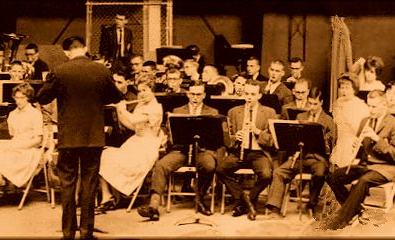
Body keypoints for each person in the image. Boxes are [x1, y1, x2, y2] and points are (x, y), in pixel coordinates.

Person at [36, 36, 123, 239]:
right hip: (93, 138)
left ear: (67, 52)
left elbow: (42, 97)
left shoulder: (59, 71)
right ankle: (86, 233)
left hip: (69, 138)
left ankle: (68, 233)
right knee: (89, 184)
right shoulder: (101, 70)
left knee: (68, 185)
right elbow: (115, 97)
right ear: (84, 48)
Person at [324, 90, 395, 230]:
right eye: (369, 106)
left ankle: (341, 219)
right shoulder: (365, 121)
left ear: (384, 105)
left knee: (363, 181)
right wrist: (358, 146)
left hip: (385, 167)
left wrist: (376, 139)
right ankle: (357, 210)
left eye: (374, 107)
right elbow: (362, 150)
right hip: (366, 165)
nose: (370, 110)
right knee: (332, 176)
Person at [136, 85, 220, 221]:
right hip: (182, 150)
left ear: (204, 95)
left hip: (202, 151)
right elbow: (172, 135)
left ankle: (200, 199)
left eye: (198, 94)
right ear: (187, 94)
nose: (195, 97)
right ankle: (153, 206)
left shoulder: (212, 112)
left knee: (209, 166)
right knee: (161, 165)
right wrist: (166, 137)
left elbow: (216, 139)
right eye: (192, 94)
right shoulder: (178, 111)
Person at [265, 87, 337, 216]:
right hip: (300, 157)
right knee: (279, 172)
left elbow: (332, 146)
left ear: (321, 102)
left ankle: (312, 203)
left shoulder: (328, 121)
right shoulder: (300, 116)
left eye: (315, 104)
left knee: (320, 173)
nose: (312, 107)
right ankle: (274, 208)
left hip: (317, 159)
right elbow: (292, 139)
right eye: (310, 103)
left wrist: (322, 142)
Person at [97, 79, 163, 215]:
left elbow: (134, 120)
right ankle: (107, 196)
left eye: (145, 90)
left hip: (147, 145)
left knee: (115, 159)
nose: (141, 94)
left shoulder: (155, 108)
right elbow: (133, 126)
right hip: (135, 141)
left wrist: (122, 109)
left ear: (153, 91)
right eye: (139, 91)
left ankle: (115, 196)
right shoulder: (141, 106)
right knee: (103, 154)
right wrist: (119, 112)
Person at [0, 83, 44, 215]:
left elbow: (38, 140)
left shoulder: (35, 114)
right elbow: (12, 136)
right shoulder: (13, 114)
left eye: (22, 98)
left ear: (28, 98)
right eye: (16, 98)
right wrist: (3, 144)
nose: (18, 101)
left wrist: (18, 146)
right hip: (14, 146)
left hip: (29, 150)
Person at [216, 80, 277, 220]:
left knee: (267, 175)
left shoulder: (269, 112)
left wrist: (257, 131)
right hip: (239, 151)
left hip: (259, 153)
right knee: (220, 169)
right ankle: (244, 200)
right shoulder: (233, 112)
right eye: (247, 93)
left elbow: (272, 141)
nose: (249, 97)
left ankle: (248, 199)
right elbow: (227, 139)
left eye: (253, 94)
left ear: (259, 95)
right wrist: (235, 137)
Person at [330, 73, 370, 168]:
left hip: (354, 143)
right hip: (340, 141)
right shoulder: (338, 102)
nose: (344, 91)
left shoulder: (361, 106)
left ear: (354, 89)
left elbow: (360, 130)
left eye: (347, 88)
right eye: (342, 87)